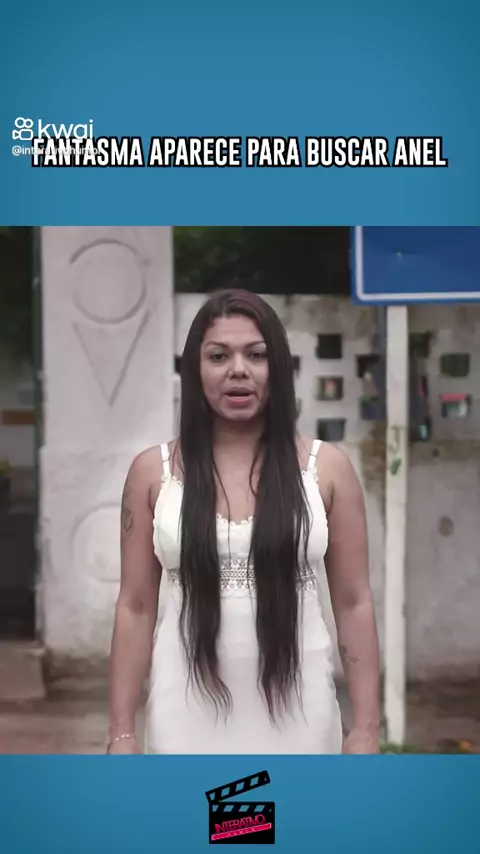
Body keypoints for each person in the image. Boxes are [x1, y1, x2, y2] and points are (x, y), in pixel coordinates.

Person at [108, 288, 380, 755]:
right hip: (184, 714)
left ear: (279, 368)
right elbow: (135, 606)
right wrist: (122, 732)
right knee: (194, 807)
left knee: (294, 807)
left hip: (301, 713)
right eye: (219, 356)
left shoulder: (327, 469)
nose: (238, 370)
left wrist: (365, 729)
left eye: (256, 355)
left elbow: (354, 601)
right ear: (195, 370)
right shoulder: (152, 473)